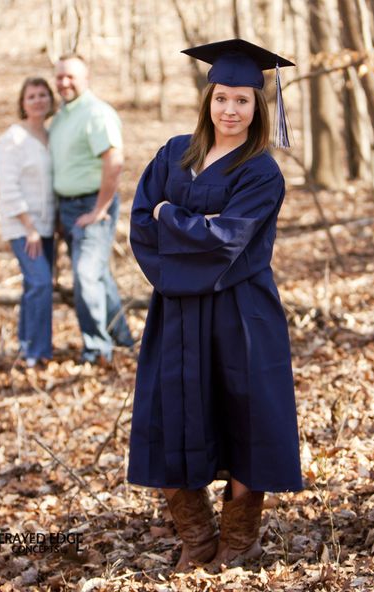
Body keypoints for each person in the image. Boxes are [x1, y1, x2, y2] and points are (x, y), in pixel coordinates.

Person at [127, 39, 303, 571]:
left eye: (243, 100)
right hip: (177, 312)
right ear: (207, 99)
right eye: (222, 98)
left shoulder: (261, 172)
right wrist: (177, 241)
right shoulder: (174, 153)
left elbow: (228, 240)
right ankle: (197, 541)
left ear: (258, 107)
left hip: (241, 315)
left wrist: (170, 217)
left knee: (246, 418)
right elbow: (140, 222)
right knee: (173, 416)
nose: (230, 109)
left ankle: (238, 543)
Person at [49, 54, 133, 364]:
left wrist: (100, 209)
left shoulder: (97, 113)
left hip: (93, 204)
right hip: (68, 208)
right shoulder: (61, 117)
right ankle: (122, 338)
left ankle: (97, 350)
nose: (64, 82)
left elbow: (114, 162)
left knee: (85, 276)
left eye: (71, 76)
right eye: (59, 77)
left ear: (87, 77)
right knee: (97, 276)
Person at [0, 77, 56, 368]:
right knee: (41, 283)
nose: (38, 100)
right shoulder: (13, 139)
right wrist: (29, 228)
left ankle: (25, 342)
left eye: (43, 94)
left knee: (35, 285)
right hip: (22, 226)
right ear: (22, 102)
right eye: (31, 96)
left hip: (45, 226)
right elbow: (7, 187)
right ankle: (36, 351)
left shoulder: (50, 134)